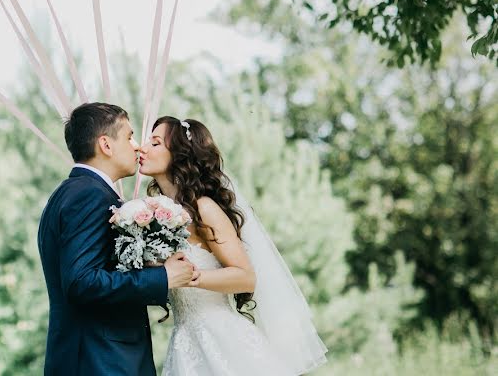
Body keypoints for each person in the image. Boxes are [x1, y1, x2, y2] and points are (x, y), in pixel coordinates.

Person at [139, 116, 328, 375]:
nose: (143, 147)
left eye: (155, 142)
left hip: (222, 340)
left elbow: (246, 278)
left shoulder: (203, 208)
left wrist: (191, 276)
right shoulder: (154, 215)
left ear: (179, 154)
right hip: (184, 341)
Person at [38, 102, 199, 376]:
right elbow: (81, 283)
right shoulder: (88, 196)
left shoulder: (74, 192)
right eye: (129, 136)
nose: (137, 146)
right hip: (99, 361)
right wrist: (163, 278)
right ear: (106, 145)